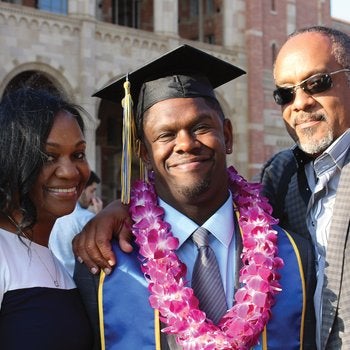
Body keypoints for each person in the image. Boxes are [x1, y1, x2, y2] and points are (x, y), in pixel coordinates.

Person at [74, 44, 316, 349]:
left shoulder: (295, 256)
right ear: (143, 153)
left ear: (226, 136)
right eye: (165, 135)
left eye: (201, 127)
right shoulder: (102, 264)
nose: (186, 144)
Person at [257, 25, 350, 349]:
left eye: (316, 84)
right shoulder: (279, 176)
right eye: (285, 93)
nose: (300, 103)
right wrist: (123, 213)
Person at [0, 87, 93, 350]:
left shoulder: (50, 258)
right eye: (48, 157)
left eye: (78, 155)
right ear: (12, 159)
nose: (69, 172)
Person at [50, 170, 103, 276]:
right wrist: (101, 217)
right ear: (81, 189)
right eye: (92, 191)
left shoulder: (53, 213)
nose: (93, 198)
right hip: (78, 282)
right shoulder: (86, 218)